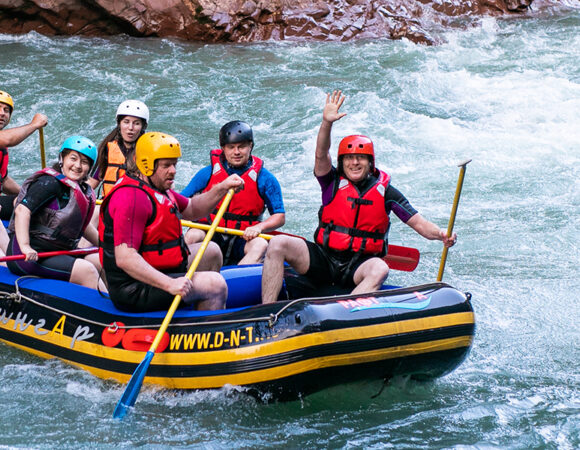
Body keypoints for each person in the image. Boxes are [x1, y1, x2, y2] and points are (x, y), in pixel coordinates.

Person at [261, 91, 457, 304]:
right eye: (350, 158)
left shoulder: (386, 193)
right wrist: (327, 123)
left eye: (360, 158)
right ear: (342, 162)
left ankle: (342, 314)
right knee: (278, 243)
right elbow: (321, 153)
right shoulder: (331, 182)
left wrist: (440, 234)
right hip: (323, 258)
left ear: (370, 162)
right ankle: (267, 313)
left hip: (358, 266)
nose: (354, 163)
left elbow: (418, 223)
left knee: (380, 268)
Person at [99, 131, 244, 313]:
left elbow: (192, 208)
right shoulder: (131, 198)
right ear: (146, 165)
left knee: (212, 251)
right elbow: (125, 258)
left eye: (174, 164)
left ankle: (198, 308)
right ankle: (203, 327)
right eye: (166, 165)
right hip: (132, 288)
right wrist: (170, 284)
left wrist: (222, 188)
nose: (173, 171)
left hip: (157, 269)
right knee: (215, 285)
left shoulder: (155, 187)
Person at [6, 136, 106, 292]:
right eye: (73, 159)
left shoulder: (83, 190)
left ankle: (114, 308)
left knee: (100, 262)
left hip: (57, 251)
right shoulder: (49, 183)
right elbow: (22, 210)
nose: (77, 166)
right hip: (29, 254)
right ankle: (93, 315)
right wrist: (25, 246)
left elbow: (83, 226)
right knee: (86, 270)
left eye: (84, 162)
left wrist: (105, 245)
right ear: (62, 158)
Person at [181, 121, 285, 265]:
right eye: (231, 147)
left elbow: (279, 216)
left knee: (260, 244)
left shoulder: (265, 179)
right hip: (210, 230)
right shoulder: (207, 173)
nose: (236, 152)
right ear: (223, 148)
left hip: (243, 236)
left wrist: (259, 227)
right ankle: (178, 273)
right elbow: (180, 202)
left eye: (241, 146)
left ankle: (235, 281)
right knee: (192, 235)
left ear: (251, 147)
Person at [0, 90, 48, 220]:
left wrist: (25, 193)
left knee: (31, 203)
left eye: (6, 110)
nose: (2, 113)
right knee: (26, 207)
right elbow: (7, 140)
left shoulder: (2, 149)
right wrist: (35, 124)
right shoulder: (3, 140)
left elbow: (3, 180)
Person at [88, 99, 149, 195]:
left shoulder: (148, 151)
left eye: (136, 123)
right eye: (126, 122)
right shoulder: (107, 149)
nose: (130, 128)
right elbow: (91, 183)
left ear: (143, 126)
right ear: (119, 124)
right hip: (109, 204)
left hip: (137, 205)